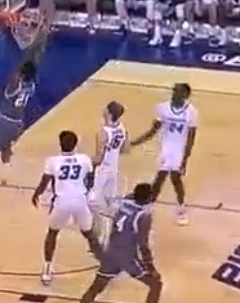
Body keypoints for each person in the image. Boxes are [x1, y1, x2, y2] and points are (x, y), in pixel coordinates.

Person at [68, 182, 168, 303]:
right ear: (149, 197)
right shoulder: (144, 216)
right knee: (156, 284)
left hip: (110, 252)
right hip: (127, 257)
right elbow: (143, 244)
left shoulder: (123, 203)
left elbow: (128, 198)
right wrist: (151, 267)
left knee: (95, 289)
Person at [33, 130, 104, 286]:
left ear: (60, 144)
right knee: (89, 234)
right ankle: (105, 263)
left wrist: (36, 194)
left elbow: (45, 182)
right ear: (76, 144)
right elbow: (91, 176)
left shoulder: (52, 161)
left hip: (62, 201)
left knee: (52, 233)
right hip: (80, 200)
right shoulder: (85, 159)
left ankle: (47, 269)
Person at [130, 83, 197, 226]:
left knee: (176, 180)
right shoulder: (163, 108)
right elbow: (152, 131)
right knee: (159, 179)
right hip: (166, 149)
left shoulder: (191, 112)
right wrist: (134, 142)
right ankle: (148, 206)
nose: (174, 93)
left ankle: (181, 209)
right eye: (173, 91)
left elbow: (191, 139)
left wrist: (185, 160)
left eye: (177, 91)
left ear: (185, 95)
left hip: (179, 150)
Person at [0, 60, 37, 174]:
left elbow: (7, 90)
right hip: (18, 122)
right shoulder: (32, 86)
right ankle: (7, 166)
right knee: (6, 143)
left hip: (5, 120)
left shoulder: (15, 85)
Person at [89, 101, 127, 239]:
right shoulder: (122, 129)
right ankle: (117, 226)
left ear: (109, 113)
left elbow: (99, 158)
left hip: (103, 170)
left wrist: (88, 164)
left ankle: (97, 231)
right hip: (114, 169)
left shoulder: (103, 133)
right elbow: (124, 149)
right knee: (111, 201)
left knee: (91, 201)